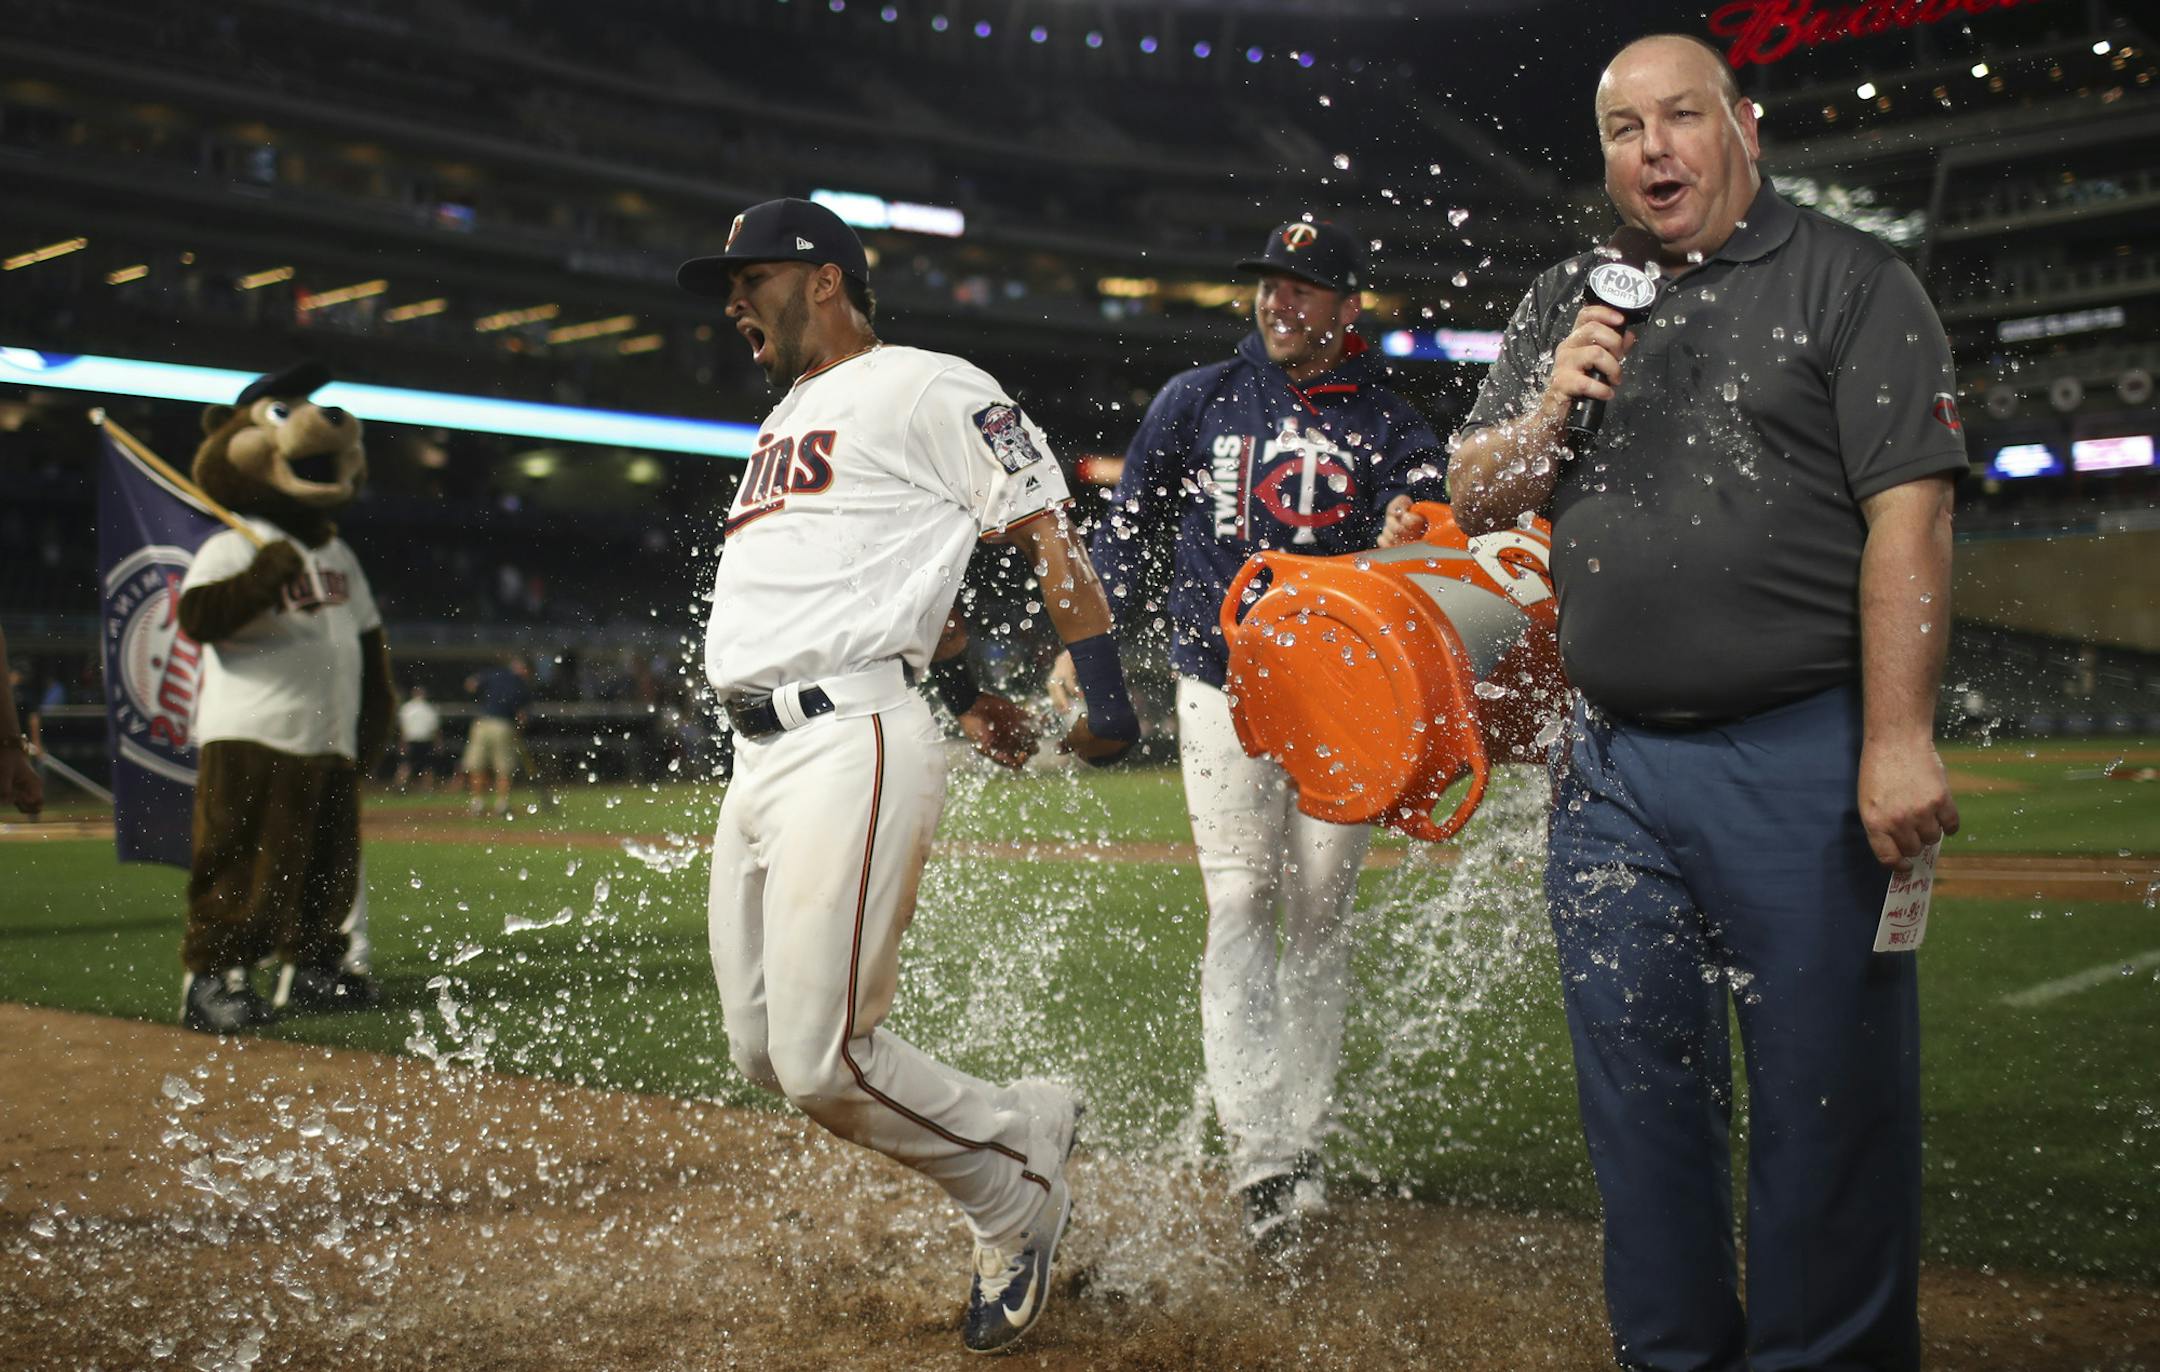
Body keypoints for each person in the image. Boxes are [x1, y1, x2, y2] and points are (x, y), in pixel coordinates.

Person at [1446, 34, 1964, 1372]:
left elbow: (1911, 514)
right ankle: (1669, 1354)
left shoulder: (1852, 280)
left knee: (1825, 1106)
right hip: (1611, 774)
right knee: (1640, 1106)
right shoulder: (1572, 297)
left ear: (1743, 125)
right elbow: (1476, 493)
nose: (1654, 150)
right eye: (1626, 129)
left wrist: (1898, 739)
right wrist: (1550, 407)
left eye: (1681, 118)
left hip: (1798, 754)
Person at [676, 197, 1139, 1354]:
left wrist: (1107, 691)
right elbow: (890, 583)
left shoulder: (929, 383)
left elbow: (1046, 525)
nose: (734, 300)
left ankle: (1013, 1189)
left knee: (823, 1057)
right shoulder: (790, 414)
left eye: (753, 277)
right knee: (764, 1045)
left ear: (826, 278)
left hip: (849, 736)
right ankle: (1025, 1119)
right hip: (762, 752)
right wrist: (964, 690)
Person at [1072, 217, 1449, 1252]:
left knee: (1321, 909)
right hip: (1220, 683)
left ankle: (1304, 1130)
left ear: (1346, 307)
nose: (1280, 302)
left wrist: (1411, 531)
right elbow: (1127, 530)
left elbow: (1428, 535)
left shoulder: (1393, 424)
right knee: (1242, 896)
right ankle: (1263, 1160)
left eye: (1304, 287)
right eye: (1270, 285)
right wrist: (1088, 650)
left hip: (1346, 702)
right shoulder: (1196, 399)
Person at [461, 656, 531, 816]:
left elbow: (471, 684)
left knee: (478, 766)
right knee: (504, 768)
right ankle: (502, 804)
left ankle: (477, 803)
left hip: (482, 723)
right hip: (503, 725)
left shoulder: (494, 674)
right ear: (523, 669)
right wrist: (519, 728)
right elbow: (522, 715)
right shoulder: (521, 684)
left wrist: (483, 699)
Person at [0, 626, 45, 818]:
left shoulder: (24, 694)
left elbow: (33, 719)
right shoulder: (23, 693)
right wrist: (12, 746)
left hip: (21, 743)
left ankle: (33, 817)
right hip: (18, 743)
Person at [394, 683, 442, 790]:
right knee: (425, 766)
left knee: (409, 765)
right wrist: (438, 743)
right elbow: (435, 729)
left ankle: (401, 787)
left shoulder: (407, 708)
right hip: (424, 740)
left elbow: (402, 728)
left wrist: (401, 742)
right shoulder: (428, 708)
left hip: (414, 740)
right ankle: (426, 788)